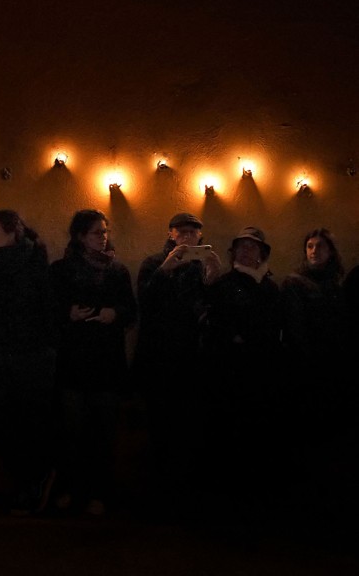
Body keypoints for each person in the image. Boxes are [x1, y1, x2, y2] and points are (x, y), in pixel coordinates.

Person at [0, 209, 57, 515]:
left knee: (26, 422)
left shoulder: (33, 263)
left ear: (12, 232)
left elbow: (45, 307)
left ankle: (33, 484)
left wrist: (45, 345)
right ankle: (27, 482)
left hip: (28, 356)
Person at [131, 212, 222, 516]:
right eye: (181, 232)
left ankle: (186, 500)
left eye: (192, 232)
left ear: (200, 237)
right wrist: (165, 269)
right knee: (159, 431)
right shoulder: (153, 263)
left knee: (190, 431)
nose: (186, 237)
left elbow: (213, 312)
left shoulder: (202, 267)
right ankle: (160, 500)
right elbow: (143, 305)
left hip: (192, 365)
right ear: (170, 234)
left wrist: (213, 280)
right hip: (158, 363)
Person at [48, 209, 137, 516]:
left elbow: (130, 310)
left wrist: (115, 314)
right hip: (73, 362)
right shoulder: (61, 270)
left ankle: (98, 493)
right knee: (71, 432)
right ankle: (71, 489)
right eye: (97, 233)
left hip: (106, 362)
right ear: (80, 236)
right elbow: (49, 310)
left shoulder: (117, 270)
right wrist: (69, 313)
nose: (103, 238)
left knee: (103, 432)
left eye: (105, 232)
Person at [201, 226, 282, 529]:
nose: (246, 251)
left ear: (262, 253)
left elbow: (273, 329)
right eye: (241, 246)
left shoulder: (270, 288)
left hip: (260, 380)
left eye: (252, 246)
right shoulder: (224, 284)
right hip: (228, 379)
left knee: (255, 443)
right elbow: (215, 326)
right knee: (228, 442)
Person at [279, 228, 351, 516]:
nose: (314, 251)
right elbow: (296, 331)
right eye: (309, 246)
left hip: (332, 370)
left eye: (320, 246)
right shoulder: (296, 283)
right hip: (309, 371)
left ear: (330, 251)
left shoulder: (335, 285)